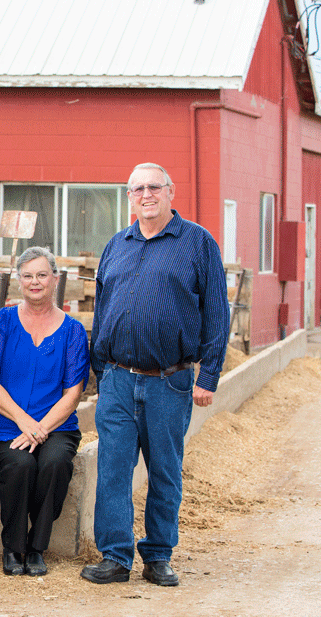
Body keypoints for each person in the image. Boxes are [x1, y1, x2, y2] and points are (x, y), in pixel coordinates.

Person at [81, 162, 229, 587]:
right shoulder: (117, 244)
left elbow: (216, 314)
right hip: (118, 380)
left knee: (165, 470)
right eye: (136, 189)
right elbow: (103, 310)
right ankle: (115, 556)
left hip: (171, 380)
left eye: (153, 187)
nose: (145, 195)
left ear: (170, 192)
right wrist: (101, 373)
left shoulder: (198, 244)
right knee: (113, 469)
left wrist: (208, 376)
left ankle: (158, 555)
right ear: (129, 197)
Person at [0, 246, 89, 576]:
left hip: (57, 426)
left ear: (54, 279)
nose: (34, 282)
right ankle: (13, 548)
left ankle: (37, 547)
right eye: (27, 276)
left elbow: (74, 393)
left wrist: (41, 428)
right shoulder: (1, 322)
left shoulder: (73, 331)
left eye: (41, 275)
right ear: (19, 281)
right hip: (3, 426)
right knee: (20, 463)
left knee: (53, 463)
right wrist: (24, 422)